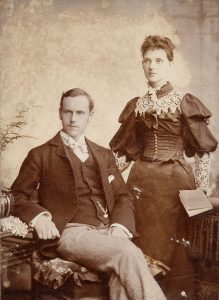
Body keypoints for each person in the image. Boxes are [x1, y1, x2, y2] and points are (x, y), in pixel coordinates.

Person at [11, 88, 166, 300]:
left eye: (80, 113)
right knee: (127, 253)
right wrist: (39, 218)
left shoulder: (103, 154)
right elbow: (18, 195)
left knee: (120, 275)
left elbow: (123, 196)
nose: (73, 119)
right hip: (71, 233)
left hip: (107, 232)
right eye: (68, 112)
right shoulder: (40, 154)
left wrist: (120, 226)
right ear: (60, 113)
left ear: (90, 115)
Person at [110, 35, 218, 299]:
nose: (152, 66)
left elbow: (203, 151)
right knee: (141, 247)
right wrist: (105, 177)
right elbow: (124, 153)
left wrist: (202, 187)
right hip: (140, 185)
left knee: (175, 251)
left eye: (159, 60)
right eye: (146, 61)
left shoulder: (184, 101)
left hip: (175, 186)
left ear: (170, 64)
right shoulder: (137, 105)